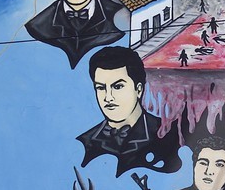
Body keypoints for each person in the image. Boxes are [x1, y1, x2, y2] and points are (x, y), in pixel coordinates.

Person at [76, 46, 182, 176]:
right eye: (101, 88)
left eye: (118, 86)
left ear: (138, 89)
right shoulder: (85, 142)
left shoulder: (169, 134)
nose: (108, 97)